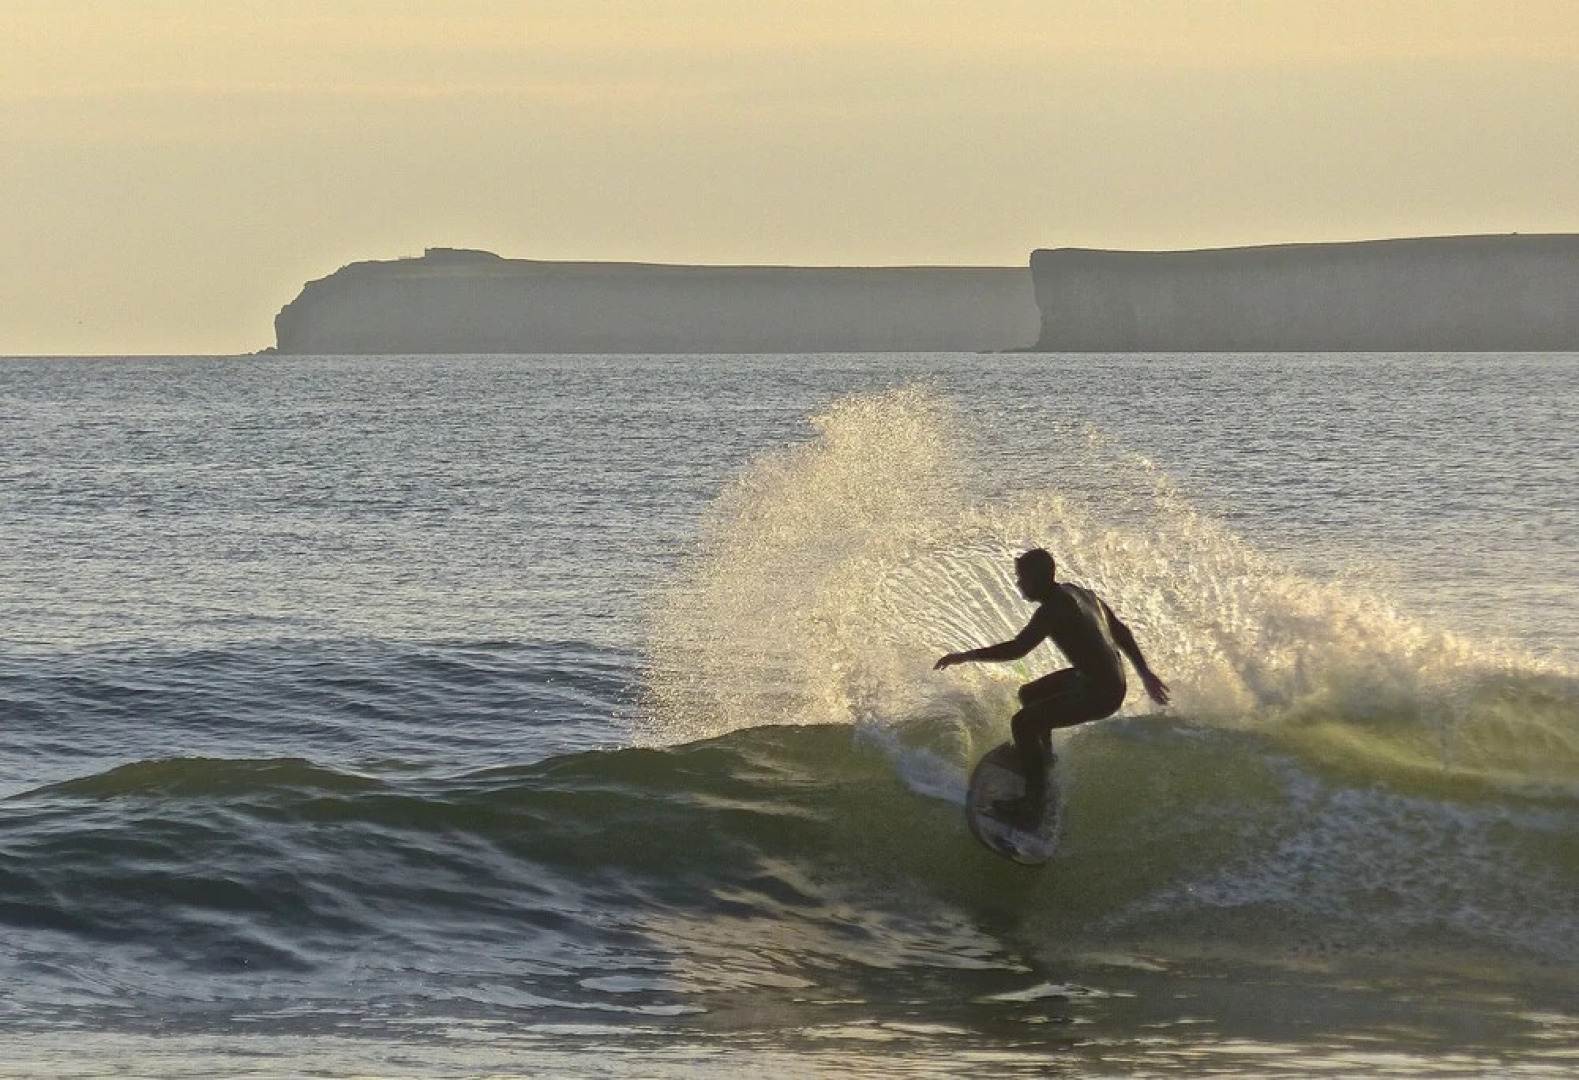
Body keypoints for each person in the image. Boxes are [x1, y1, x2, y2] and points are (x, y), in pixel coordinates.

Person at [934, 548, 1170, 826]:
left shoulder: (1053, 611)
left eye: (1022, 579)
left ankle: (1032, 806)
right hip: (1098, 678)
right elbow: (1121, 630)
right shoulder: (1078, 592)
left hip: (1101, 692)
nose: (1019, 584)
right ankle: (1042, 760)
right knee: (1029, 694)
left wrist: (966, 656)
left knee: (1022, 724)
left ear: (1038, 579)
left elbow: (1017, 648)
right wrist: (1143, 672)